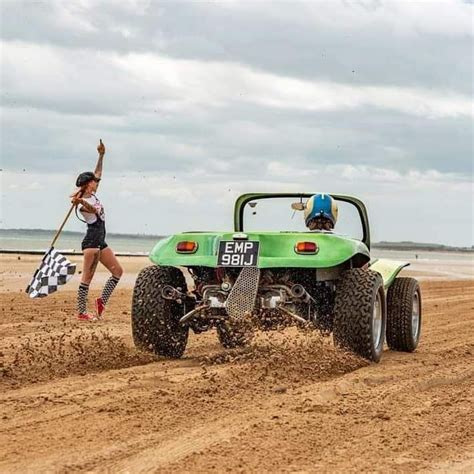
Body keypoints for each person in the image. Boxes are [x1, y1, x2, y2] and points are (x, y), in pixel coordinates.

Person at [71, 140, 123, 321]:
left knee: (118, 272)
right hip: (92, 241)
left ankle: (101, 301)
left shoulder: (92, 194)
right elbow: (91, 210)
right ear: (87, 184)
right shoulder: (83, 204)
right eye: (93, 181)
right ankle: (81, 312)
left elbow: (98, 172)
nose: (96, 181)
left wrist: (101, 155)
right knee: (87, 277)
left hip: (101, 240)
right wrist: (81, 202)